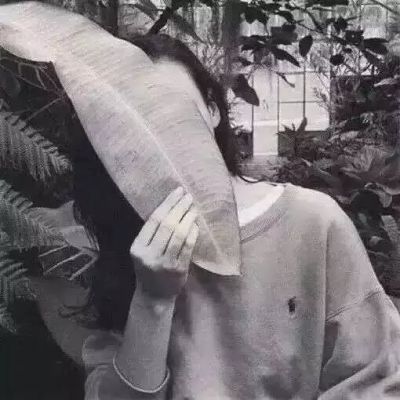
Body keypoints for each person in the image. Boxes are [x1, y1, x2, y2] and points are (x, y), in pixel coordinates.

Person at [58, 34, 400, 399]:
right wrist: (152, 299)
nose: (160, 134)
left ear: (212, 110)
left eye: (176, 112)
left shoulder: (312, 222)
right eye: (135, 121)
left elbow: (375, 378)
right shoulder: (123, 238)